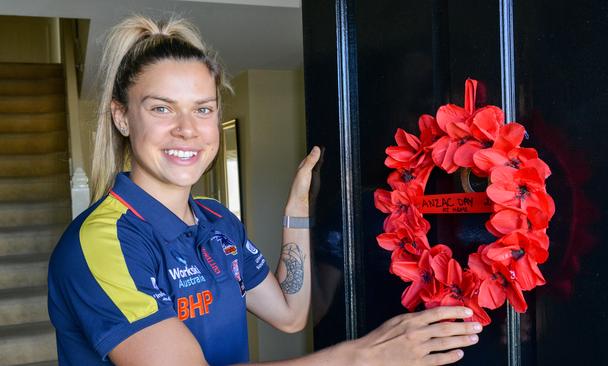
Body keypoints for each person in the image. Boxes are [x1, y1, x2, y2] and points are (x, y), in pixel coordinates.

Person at [47, 15, 482, 366]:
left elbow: (291, 316)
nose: (186, 130)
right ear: (122, 118)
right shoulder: (105, 242)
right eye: (161, 108)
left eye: (203, 110)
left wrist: (297, 212)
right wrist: (361, 357)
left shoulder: (217, 221)